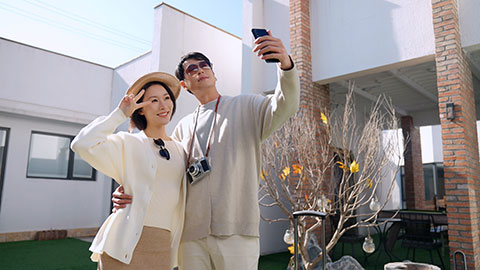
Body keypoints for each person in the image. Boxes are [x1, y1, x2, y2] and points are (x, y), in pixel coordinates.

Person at [113, 31, 300, 269]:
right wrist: (128, 190)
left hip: (236, 231)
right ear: (184, 84)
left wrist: (285, 64)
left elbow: (287, 105)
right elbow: (163, 171)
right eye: (192, 69)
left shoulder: (247, 106)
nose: (200, 70)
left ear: (213, 73)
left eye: (204, 66)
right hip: (190, 237)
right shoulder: (182, 127)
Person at [71, 72, 186, 270]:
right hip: (124, 244)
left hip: (163, 245)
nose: (163, 105)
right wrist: (120, 114)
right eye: (154, 100)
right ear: (140, 109)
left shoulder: (182, 150)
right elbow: (82, 144)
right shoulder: (128, 142)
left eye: (167, 98)